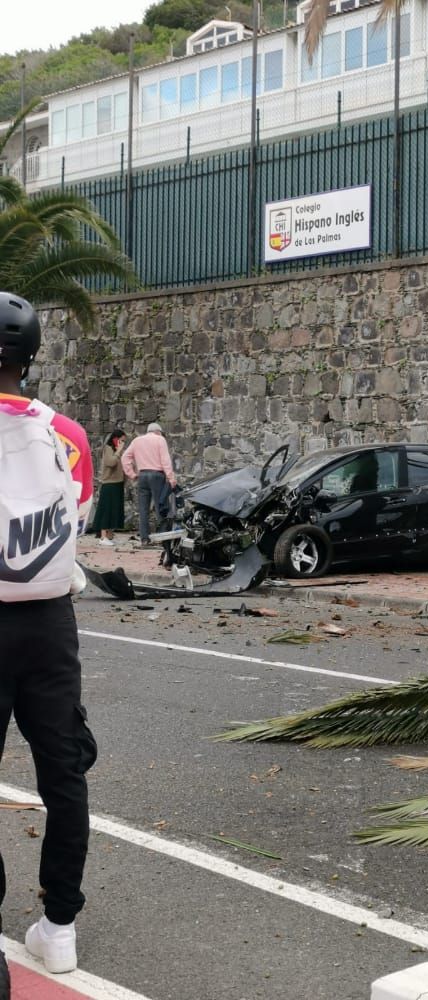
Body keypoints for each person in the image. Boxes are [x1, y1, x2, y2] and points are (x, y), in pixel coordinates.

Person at [0, 291, 97, 975]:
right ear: (31, 360)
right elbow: (80, 521)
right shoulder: (70, 434)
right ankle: (59, 925)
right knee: (64, 775)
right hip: (51, 621)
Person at [121, 422, 177, 545]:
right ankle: (162, 538)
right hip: (157, 475)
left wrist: (132, 474)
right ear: (158, 432)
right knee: (160, 507)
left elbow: (125, 458)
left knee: (143, 509)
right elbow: (165, 460)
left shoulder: (137, 441)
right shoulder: (160, 440)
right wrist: (171, 478)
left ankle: (144, 539)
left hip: (142, 475)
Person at [91, 429, 126, 546]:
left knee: (114, 510)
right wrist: (119, 451)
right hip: (109, 483)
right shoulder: (108, 448)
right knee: (106, 509)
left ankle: (110, 535)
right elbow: (110, 463)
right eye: (121, 441)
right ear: (115, 439)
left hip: (118, 483)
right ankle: (103, 536)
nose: (122, 444)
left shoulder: (116, 450)